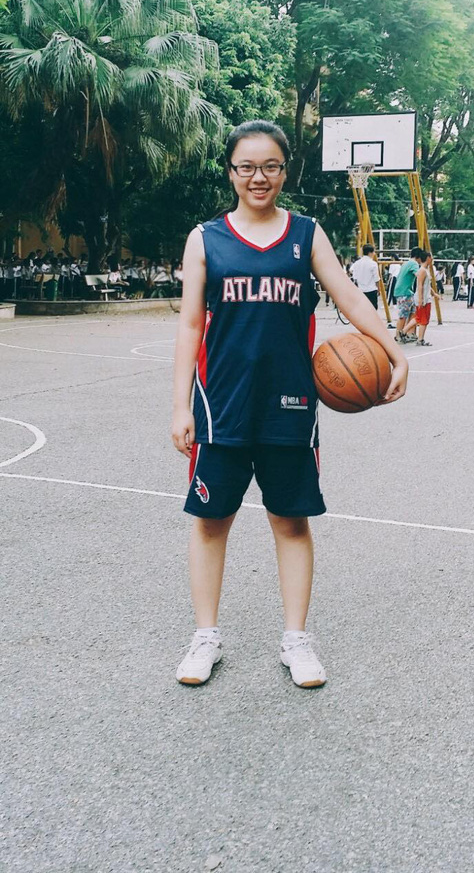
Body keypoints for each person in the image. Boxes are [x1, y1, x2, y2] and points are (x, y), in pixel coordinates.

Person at [171, 120, 408, 690]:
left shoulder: (306, 233)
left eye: (270, 166)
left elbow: (349, 297)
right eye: (247, 167)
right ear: (231, 172)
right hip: (220, 404)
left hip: (291, 403)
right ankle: (205, 636)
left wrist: (394, 351)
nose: (259, 177)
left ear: (284, 171)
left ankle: (296, 639)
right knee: (211, 522)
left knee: (291, 521)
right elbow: (189, 325)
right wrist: (180, 405)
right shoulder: (206, 237)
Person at [393, 247, 422, 344]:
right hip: (404, 292)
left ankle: (409, 333)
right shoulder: (414, 264)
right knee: (403, 315)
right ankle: (398, 335)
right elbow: (419, 275)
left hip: (406, 291)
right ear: (418, 257)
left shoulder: (406, 263)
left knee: (413, 312)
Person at [414, 250, 440, 347]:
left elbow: (427, 285)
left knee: (423, 319)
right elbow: (420, 285)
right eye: (431, 257)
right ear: (428, 258)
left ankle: (420, 338)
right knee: (423, 320)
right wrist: (420, 299)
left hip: (426, 297)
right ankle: (420, 339)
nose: (432, 259)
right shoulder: (422, 271)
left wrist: (434, 294)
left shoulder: (425, 270)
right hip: (424, 298)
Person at [350, 243, 380, 309]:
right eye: (373, 252)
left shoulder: (356, 263)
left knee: (362, 310)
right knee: (372, 310)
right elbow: (376, 279)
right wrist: (379, 289)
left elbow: (354, 277)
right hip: (371, 290)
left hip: (361, 291)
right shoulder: (373, 264)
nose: (374, 254)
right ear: (370, 253)